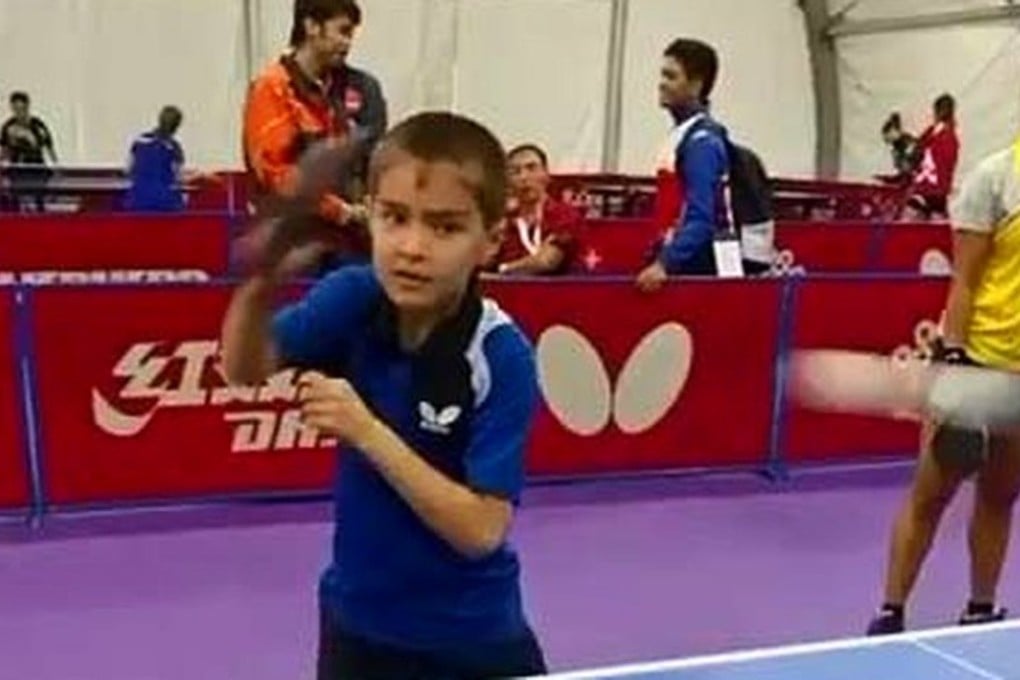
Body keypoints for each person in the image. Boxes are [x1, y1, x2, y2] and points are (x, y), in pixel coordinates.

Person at [220, 111, 547, 679]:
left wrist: (366, 430)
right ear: (370, 215)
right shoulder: (353, 297)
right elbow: (245, 370)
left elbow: (481, 531)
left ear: (490, 240)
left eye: (444, 228)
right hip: (359, 630)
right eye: (395, 219)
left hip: (471, 640)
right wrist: (259, 287)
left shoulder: (501, 356)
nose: (412, 247)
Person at [867, 137, 1020, 635]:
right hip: (977, 359)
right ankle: (891, 611)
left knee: (999, 495)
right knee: (932, 494)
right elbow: (966, 281)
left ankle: (979, 607)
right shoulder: (995, 176)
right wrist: (955, 362)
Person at [243, 0, 388, 270]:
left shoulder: (330, 92)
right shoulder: (271, 88)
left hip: (337, 240)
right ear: (311, 26)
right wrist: (341, 211)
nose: (348, 43)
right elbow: (276, 175)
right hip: (288, 246)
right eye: (342, 32)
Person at [637, 38, 728, 291]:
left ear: (696, 85)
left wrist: (665, 264)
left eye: (671, 76)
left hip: (693, 275)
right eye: (662, 75)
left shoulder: (702, 143)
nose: (662, 83)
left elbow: (701, 218)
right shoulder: (682, 136)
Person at [491, 143, 584, 275]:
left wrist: (502, 269)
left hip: (555, 293)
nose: (523, 177)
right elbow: (482, 262)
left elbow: (546, 262)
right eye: (515, 172)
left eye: (531, 168)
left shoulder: (565, 215)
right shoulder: (504, 220)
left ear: (546, 175)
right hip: (508, 293)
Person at [0, 91, 57, 212]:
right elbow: (5, 150)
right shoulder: (8, 126)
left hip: (36, 169)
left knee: (38, 200)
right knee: (15, 201)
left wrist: (57, 168)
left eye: (22, 108)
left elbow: (48, 147)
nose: (19, 112)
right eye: (15, 109)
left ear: (27, 107)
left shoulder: (37, 125)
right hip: (16, 170)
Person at [124, 106, 186, 212]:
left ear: (159, 120)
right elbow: (179, 178)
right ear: (177, 126)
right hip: (165, 202)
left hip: (135, 200)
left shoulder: (140, 140)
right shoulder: (174, 147)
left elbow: (128, 170)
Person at [907, 94, 960, 219]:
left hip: (930, 190)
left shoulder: (940, 134)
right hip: (934, 191)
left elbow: (919, 154)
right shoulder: (942, 133)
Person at [880, 112, 920, 181]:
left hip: (914, 170)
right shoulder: (897, 145)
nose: (886, 139)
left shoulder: (906, 141)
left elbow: (913, 154)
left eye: (889, 134)